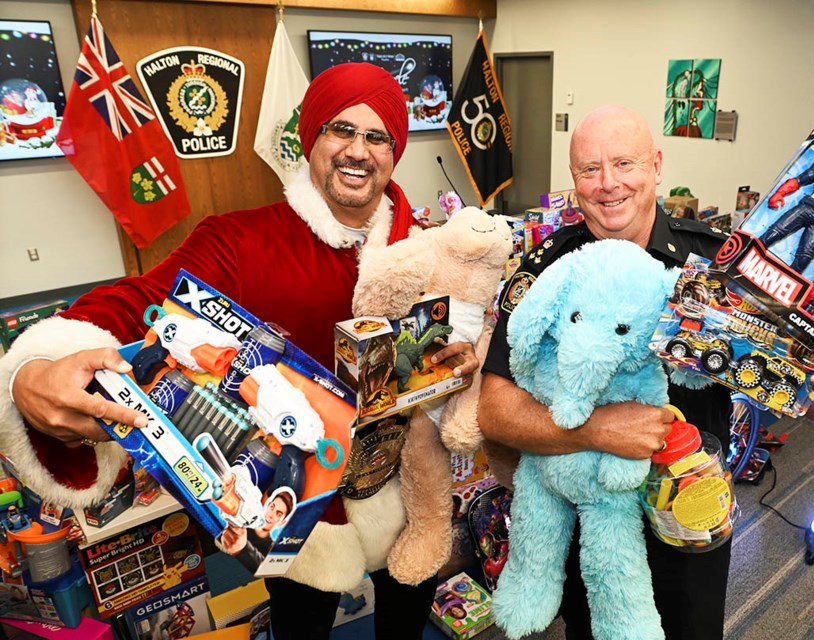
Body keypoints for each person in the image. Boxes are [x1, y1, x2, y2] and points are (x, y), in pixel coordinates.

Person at [0, 62, 478, 640]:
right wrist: (37, 364)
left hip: (407, 493)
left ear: (395, 151)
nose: (358, 150)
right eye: (340, 130)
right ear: (311, 140)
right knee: (301, 628)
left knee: (405, 626)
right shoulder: (239, 240)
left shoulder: (425, 245)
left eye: (377, 137)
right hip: (297, 509)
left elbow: (448, 343)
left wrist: (456, 361)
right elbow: (139, 299)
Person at [477, 104, 814, 639]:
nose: (608, 184)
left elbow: (802, 395)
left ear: (657, 165)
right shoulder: (546, 269)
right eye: (590, 170)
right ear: (574, 180)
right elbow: (494, 411)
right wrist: (597, 430)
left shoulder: (718, 267)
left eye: (625, 163)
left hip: (692, 524)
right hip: (587, 524)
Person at [221, 488, 295, 573]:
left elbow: (268, 570)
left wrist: (243, 548)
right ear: (267, 506)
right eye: (272, 507)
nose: (271, 515)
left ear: (282, 522)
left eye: (278, 514)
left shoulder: (273, 551)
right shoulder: (242, 524)